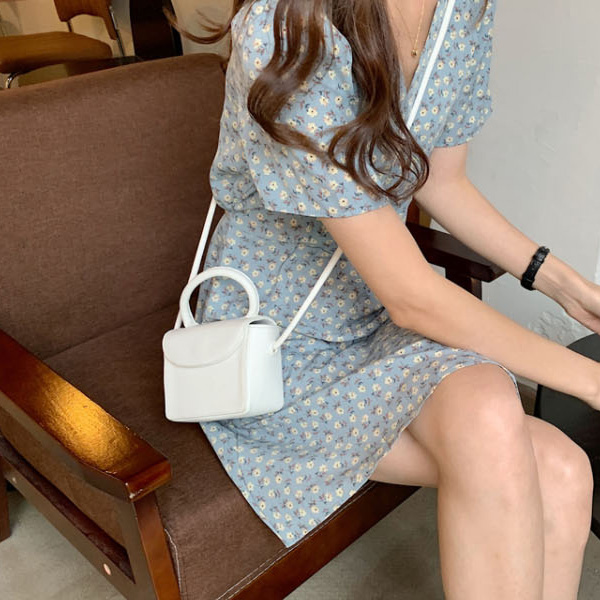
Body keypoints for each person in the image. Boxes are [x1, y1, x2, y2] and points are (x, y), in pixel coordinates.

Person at [169, 0, 600, 597]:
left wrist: (566, 285)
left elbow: (441, 181)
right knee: (510, 432)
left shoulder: (463, 10)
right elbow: (411, 298)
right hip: (274, 342)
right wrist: (591, 381)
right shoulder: (286, 29)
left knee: (565, 471)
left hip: (367, 313)